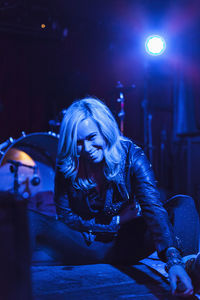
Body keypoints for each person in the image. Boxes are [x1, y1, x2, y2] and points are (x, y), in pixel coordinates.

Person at [52, 97, 199, 297]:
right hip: (88, 244)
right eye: (78, 143)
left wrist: (172, 261)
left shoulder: (131, 155)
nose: (86, 149)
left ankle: (185, 265)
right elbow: (66, 217)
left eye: (91, 137)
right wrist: (116, 221)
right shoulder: (68, 164)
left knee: (183, 204)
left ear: (105, 130)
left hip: (127, 242)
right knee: (35, 221)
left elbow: (152, 207)